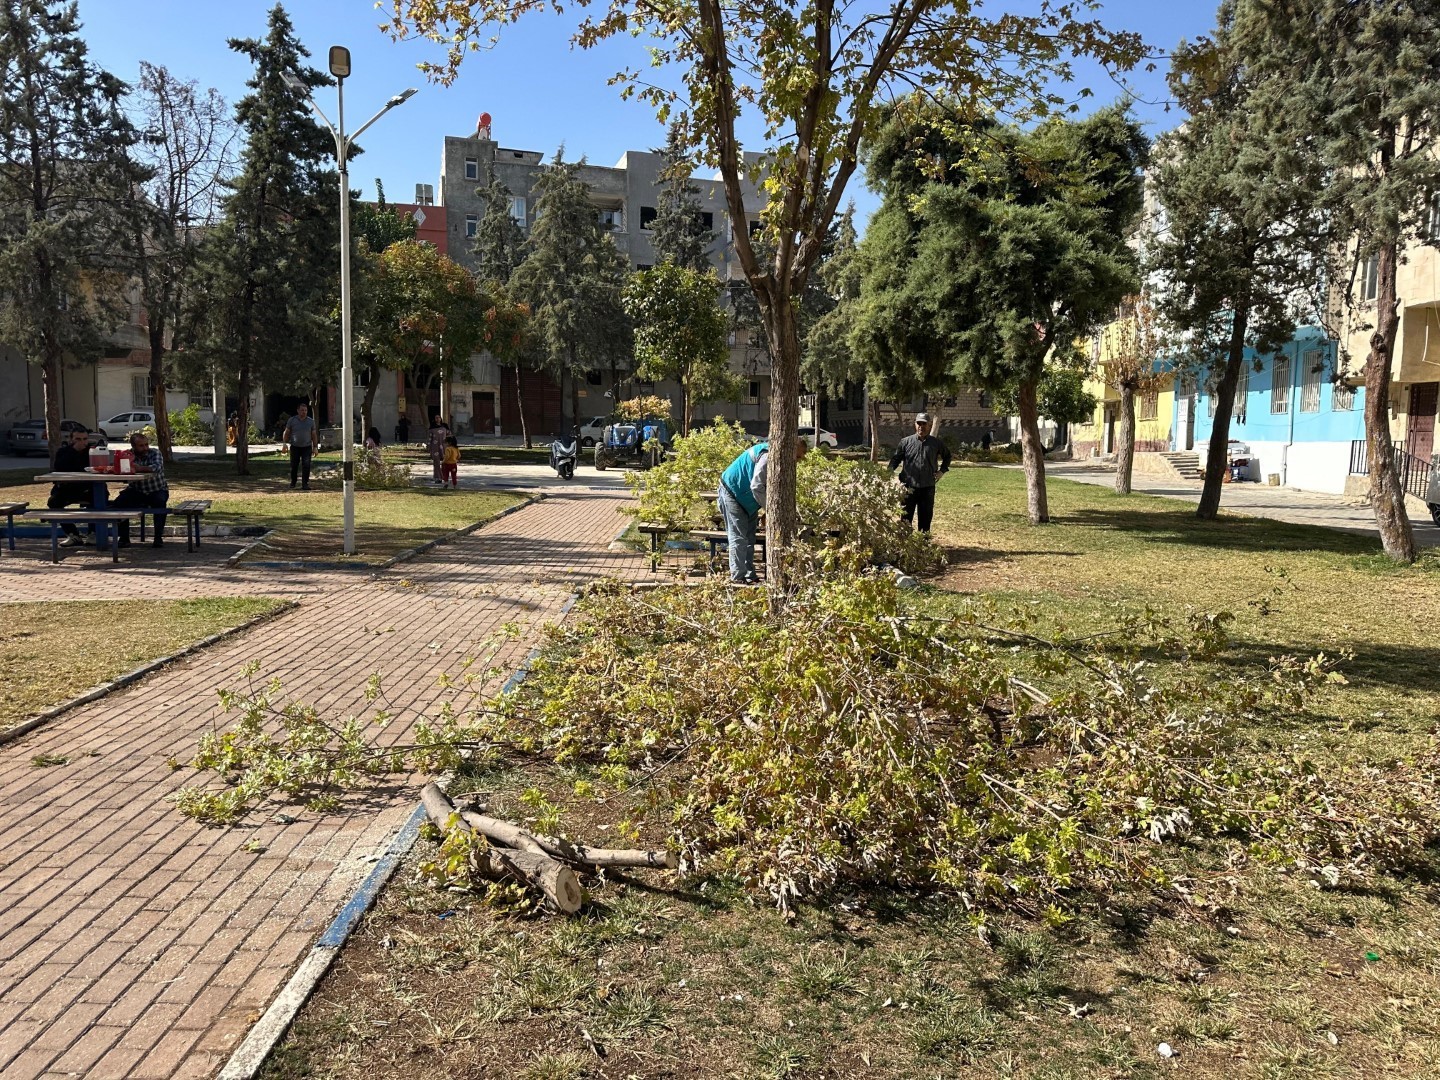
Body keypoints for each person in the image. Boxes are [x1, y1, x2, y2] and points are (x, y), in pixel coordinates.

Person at [717, 436, 808, 585]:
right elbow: (756, 486)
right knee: (739, 538)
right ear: (791, 449)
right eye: (799, 456)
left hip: (748, 501)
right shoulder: (768, 456)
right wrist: (771, 510)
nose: (800, 460)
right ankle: (737, 578)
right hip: (732, 493)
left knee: (749, 539)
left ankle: (749, 575)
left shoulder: (782, 460)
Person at [888, 411, 951, 533]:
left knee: (925, 520)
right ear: (915, 424)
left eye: (924, 424)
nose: (921, 426)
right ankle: (905, 546)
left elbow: (947, 457)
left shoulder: (936, 443)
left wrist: (942, 471)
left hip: (927, 487)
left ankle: (924, 546)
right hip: (908, 487)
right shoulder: (905, 442)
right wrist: (889, 471)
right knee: (905, 519)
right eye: (919, 423)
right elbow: (896, 459)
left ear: (929, 425)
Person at [111, 431, 168, 548]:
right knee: (120, 503)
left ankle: (158, 537)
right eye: (141, 446)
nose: (145, 447)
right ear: (133, 446)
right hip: (137, 490)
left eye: (146, 444)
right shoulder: (127, 455)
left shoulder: (155, 453)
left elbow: (156, 467)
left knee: (160, 503)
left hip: (157, 489)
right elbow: (121, 470)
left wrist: (139, 468)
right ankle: (124, 538)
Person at [48, 427, 93, 547]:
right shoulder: (64, 452)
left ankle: (93, 533)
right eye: (78, 439)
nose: (81, 442)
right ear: (71, 439)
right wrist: (74, 451)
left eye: (84, 439)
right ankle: (73, 534)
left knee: (100, 498)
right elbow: (59, 467)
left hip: (88, 487)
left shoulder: (93, 451)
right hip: (67, 487)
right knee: (54, 502)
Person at [282, 403, 317, 490]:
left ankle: (305, 484)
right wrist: (284, 443)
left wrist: (315, 447)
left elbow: (314, 435)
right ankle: (293, 483)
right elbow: (286, 432)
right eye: (302, 410)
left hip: (307, 447)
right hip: (295, 446)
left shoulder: (310, 421)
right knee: (294, 465)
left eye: (305, 410)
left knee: (306, 465)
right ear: (298, 411)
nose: (304, 412)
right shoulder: (292, 420)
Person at [427, 415, 449, 485]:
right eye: (436, 418)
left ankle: (444, 477)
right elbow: (429, 439)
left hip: (444, 447)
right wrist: (428, 447)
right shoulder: (432, 428)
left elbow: (449, 436)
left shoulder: (444, 427)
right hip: (435, 447)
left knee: (445, 463)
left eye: (439, 417)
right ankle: (437, 477)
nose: (437, 419)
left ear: (441, 418)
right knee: (436, 463)